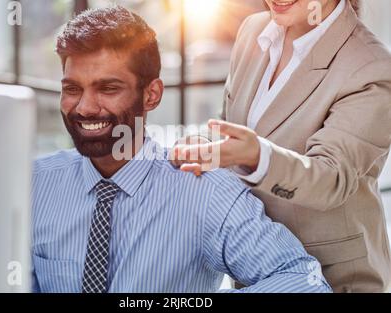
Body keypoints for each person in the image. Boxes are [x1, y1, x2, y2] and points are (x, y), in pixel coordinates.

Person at [30, 6, 331, 293]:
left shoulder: (205, 191)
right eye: (72, 89)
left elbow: (305, 281)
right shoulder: (34, 184)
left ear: (152, 95)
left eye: (108, 89)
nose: (84, 108)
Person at [171, 0, 391, 292]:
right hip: (255, 269)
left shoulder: (371, 67)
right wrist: (210, 147)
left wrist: (258, 157)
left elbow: (332, 178)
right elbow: (234, 125)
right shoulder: (254, 30)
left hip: (332, 277)